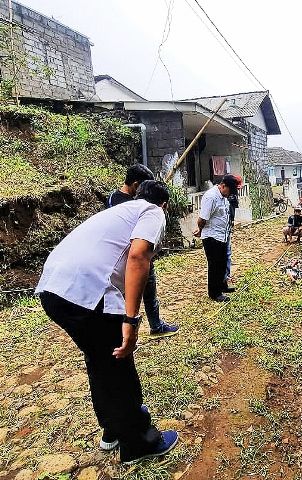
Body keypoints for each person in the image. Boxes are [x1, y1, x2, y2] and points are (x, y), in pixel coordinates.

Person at [36, 180, 179, 465]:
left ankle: (111, 430)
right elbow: (139, 255)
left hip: (54, 289)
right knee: (118, 363)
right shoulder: (152, 212)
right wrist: (131, 319)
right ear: (163, 204)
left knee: (99, 358)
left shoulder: (116, 212)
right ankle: (138, 443)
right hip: (88, 292)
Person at [106, 163, 178, 338]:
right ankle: (126, 331)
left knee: (149, 292)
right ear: (137, 185)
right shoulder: (128, 203)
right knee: (126, 296)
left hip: (137, 256)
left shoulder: (115, 199)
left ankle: (155, 325)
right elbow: (136, 250)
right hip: (129, 258)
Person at [194, 174, 240, 302]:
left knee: (223, 263)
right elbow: (203, 218)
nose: (229, 194)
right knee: (215, 265)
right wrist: (200, 229)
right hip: (212, 236)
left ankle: (222, 286)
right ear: (223, 186)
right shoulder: (211, 197)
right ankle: (214, 293)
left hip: (222, 235)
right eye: (229, 191)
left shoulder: (223, 196)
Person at [224, 190, 240, 293]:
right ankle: (224, 278)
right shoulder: (223, 199)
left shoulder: (232, 197)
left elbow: (235, 208)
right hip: (221, 230)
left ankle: (227, 277)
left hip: (228, 226)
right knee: (224, 255)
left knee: (228, 254)